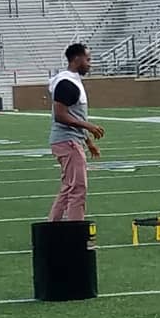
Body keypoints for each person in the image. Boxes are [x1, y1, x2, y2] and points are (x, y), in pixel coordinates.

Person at [46, 43, 105, 222]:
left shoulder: (68, 81)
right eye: (88, 59)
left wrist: (88, 142)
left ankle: (53, 228)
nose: (90, 64)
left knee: (68, 187)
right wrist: (88, 126)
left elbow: (72, 114)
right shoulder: (67, 84)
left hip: (68, 140)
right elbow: (61, 115)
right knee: (78, 189)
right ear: (76, 59)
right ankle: (75, 233)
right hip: (67, 141)